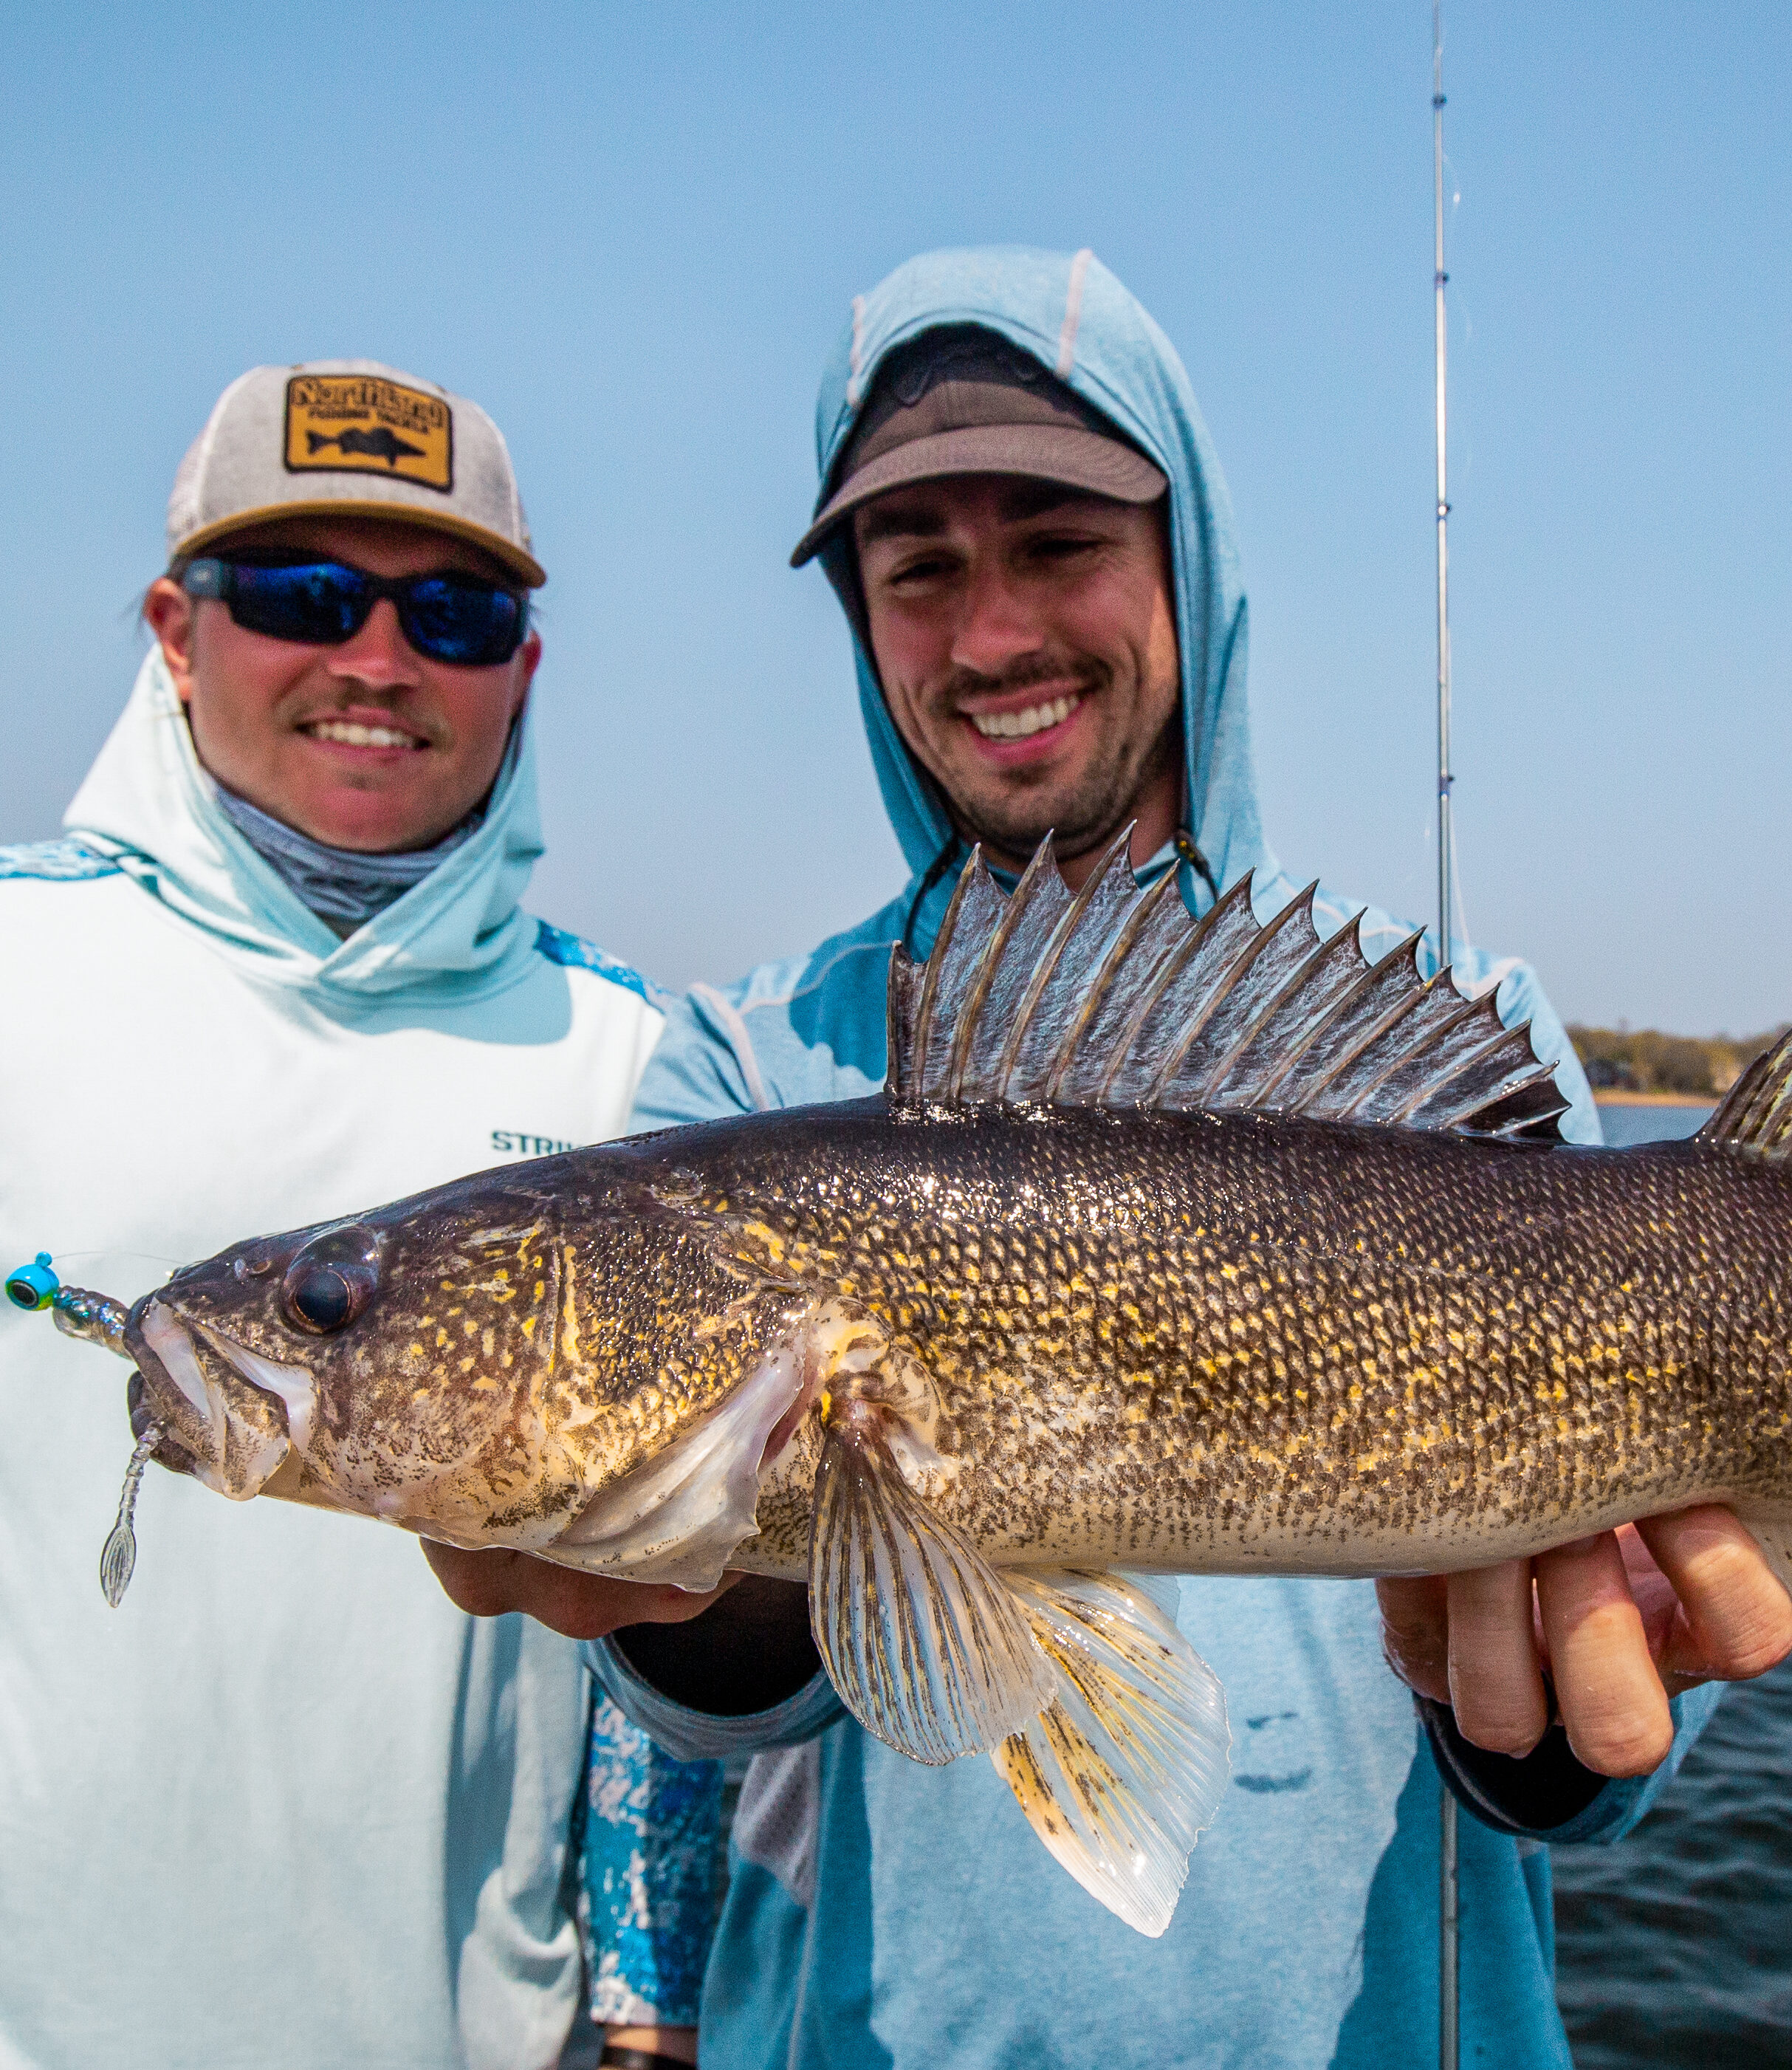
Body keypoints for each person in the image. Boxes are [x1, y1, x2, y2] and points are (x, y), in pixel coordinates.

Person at [425, 250, 1792, 2067]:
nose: (992, 634)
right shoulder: (739, 1066)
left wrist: (1544, 1721)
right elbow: (699, 1718)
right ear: (861, 624)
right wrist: (718, 1586)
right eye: (919, 569)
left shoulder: (1474, 1049)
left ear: (1188, 559)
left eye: (1057, 541)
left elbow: (1602, 1749)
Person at [0, 359, 710, 2069]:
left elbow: (662, 1622)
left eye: (455, 611)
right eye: (301, 595)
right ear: (176, 632)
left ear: (522, 669)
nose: (378, 659)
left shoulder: (646, 1060)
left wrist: (646, 2015)